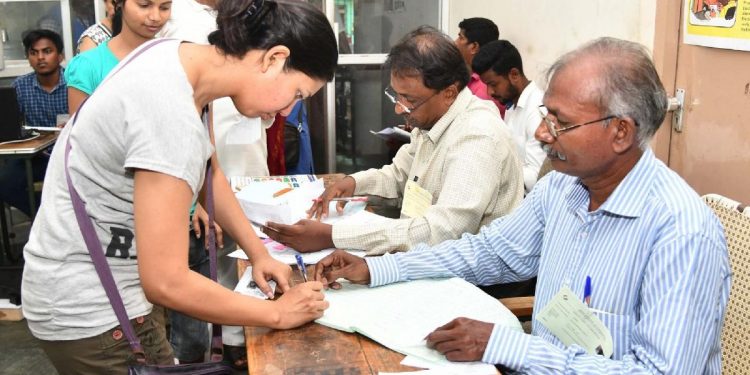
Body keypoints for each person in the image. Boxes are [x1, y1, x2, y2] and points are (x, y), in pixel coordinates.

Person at [312, 37, 731, 373]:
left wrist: (508, 345)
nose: (544, 135)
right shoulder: (562, 190)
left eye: (560, 122)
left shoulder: (681, 233)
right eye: (546, 116)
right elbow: (488, 251)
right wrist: (378, 267)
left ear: (621, 132)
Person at [21, 1, 338, 373]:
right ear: (273, 59)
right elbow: (166, 282)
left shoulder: (180, 62)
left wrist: (259, 254)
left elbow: (210, 173)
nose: (287, 112)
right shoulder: (169, 112)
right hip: (92, 310)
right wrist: (277, 314)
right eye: (298, 93)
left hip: (94, 287)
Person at [262, 26, 523, 255]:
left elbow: (442, 231)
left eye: (409, 100)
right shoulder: (433, 118)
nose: (400, 109)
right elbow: (399, 176)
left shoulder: (477, 137)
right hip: (424, 256)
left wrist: (332, 236)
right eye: (397, 96)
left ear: (449, 92)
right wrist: (353, 183)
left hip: (472, 282)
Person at [156, 0, 274, 368]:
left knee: (241, 258)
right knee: (207, 272)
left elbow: (214, 165)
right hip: (195, 176)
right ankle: (211, 354)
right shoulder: (172, 21)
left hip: (237, 165)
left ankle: (239, 344)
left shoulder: (247, 16)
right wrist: (197, 200)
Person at [0, 29, 67, 217]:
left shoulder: (75, 81)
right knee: (5, 183)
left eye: (47, 51)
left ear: (60, 56)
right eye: (33, 52)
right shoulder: (20, 86)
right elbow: (10, 125)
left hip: (69, 155)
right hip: (35, 157)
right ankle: (46, 221)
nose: (40, 58)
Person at [65, 0, 172, 115]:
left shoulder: (176, 58)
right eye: (144, 5)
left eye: (164, 8)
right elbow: (81, 131)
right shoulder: (88, 66)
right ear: (119, 2)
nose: (155, 17)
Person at [472, 40, 547, 193]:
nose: (490, 93)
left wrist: (491, 173)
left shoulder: (536, 110)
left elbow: (537, 178)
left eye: (493, 84)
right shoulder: (511, 104)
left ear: (514, 75)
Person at [454, 17, 504, 117]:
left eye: (461, 37)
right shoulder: (466, 78)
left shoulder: (484, 90)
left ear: (474, 47)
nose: (455, 42)